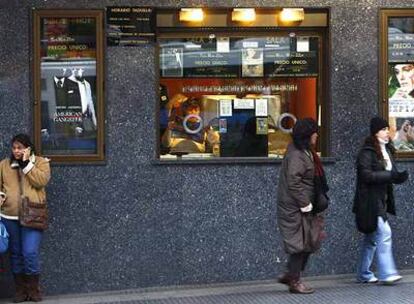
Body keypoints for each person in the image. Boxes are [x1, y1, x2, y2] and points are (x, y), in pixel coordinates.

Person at [353, 117, 409, 284]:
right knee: (384, 233)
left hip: (381, 200)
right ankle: (387, 273)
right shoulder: (367, 152)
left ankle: (364, 274)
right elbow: (366, 175)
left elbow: (390, 174)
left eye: (387, 129)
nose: (387, 132)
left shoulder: (387, 150)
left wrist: (398, 177)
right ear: (375, 131)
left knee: (371, 239)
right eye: (384, 129)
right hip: (369, 201)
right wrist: (390, 175)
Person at [277, 118, 328, 294]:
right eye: (314, 132)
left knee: (309, 241)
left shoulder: (304, 151)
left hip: (302, 205)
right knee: (301, 244)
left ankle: (291, 274)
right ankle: (295, 280)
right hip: (295, 207)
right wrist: (305, 204)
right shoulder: (297, 155)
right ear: (307, 135)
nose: (316, 135)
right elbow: (294, 182)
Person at [0, 134, 51, 302]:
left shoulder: (41, 162)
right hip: (9, 215)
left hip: (33, 216)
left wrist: (26, 164)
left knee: (29, 252)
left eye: (20, 147)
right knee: (16, 254)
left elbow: (41, 181)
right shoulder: (4, 165)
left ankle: (33, 289)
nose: (16, 151)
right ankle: (20, 290)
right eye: (14, 148)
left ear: (28, 148)